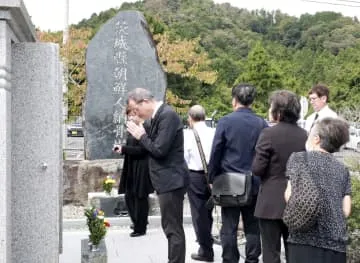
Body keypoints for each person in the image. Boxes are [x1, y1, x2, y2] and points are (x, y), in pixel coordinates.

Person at [126, 88, 189, 263]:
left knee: (172, 227)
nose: (136, 113)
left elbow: (159, 149)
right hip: (166, 180)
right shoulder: (157, 116)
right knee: (169, 225)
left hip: (171, 179)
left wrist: (141, 136)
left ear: (145, 101)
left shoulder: (167, 115)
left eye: (137, 110)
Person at [208, 83, 268, 263]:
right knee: (253, 226)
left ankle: (230, 259)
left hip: (229, 182)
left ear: (234, 100)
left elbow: (216, 151)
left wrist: (212, 178)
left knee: (229, 226)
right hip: (254, 183)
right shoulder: (261, 122)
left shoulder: (226, 121)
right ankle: (252, 259)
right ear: (252, 101)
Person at [285, 118, 351, 263]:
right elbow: (346, 210)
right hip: (336, 245)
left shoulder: (298, 159)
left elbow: (289, 196)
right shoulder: (343, 169)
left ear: (316, 139)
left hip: (303, 240)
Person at [252, 90, 307, 263]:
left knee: (270, 253)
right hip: (297, 201)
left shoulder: (268, 134)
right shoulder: (305, 135)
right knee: (295, 252)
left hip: (270, 202)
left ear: (279, 111)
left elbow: (257, 169)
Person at [114, 106, 153, 237]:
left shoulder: (145, 128)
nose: (130, 118)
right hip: (131, 165)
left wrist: (124, 149)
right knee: (129, 195)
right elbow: (132, 147)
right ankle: (137, 221)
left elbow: (143, 150)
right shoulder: (132, 129)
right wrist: (122, 149)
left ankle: (140, 227)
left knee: (140, 196)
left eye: (132, 115)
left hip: (141, 167)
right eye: (129, 116)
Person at [184, 105, 216, 262]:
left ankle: (205, 249)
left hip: (195, 176)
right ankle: (207, 239)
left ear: (190, 117)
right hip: (214, 176)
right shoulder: (214, 132)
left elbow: (184, 158)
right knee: (209, 210)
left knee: (199, 214)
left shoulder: (188, 135)